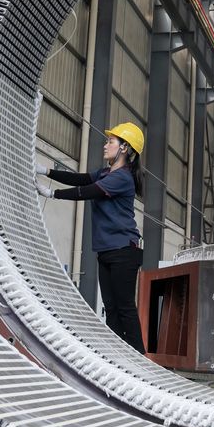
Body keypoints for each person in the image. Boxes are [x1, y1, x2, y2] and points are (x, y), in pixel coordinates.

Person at [36, 122, 146, 353]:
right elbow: (82, 180)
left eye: (111, 142)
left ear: (125, 148)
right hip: (106, 250)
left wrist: (53, 193)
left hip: (124, 251)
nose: (105, 145)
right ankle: (118, 356)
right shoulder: (106, 172)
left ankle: (140, 359)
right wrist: (47, 171)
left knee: (125, 307)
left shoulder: (122, 178)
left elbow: (89, 191)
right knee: (111, 308)